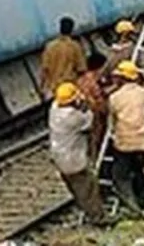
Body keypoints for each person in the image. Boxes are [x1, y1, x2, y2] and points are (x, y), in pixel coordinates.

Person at [47, 83, 106, 225]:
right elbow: (90, 119)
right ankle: (98, 218)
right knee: (88, 187)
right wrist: (85, 103)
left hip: (59, 157)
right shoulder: (74, 117)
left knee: (75, 188)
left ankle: (87, 211)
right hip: (73, 161)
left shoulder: (54, 109)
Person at [107, 60, 144, 218]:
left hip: (124, 143)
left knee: (120, 176)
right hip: (143, 143)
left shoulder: (115, 97)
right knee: (139, 172)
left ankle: (134, 209)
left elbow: (112, 121)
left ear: (121, 78)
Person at [40, 17, 87, 102]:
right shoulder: (75, 46)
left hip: (54, 88)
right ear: (72, 29)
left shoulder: (49, 46)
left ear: (60, 28)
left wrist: (42, 87)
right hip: (70, 88)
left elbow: (44, 69)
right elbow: (82, 69)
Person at [75, 53, 109, 159]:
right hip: (93, 115)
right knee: (95, 140)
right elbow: (98, 100)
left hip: (82, 114)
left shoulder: (80, 79)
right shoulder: (93, 81)